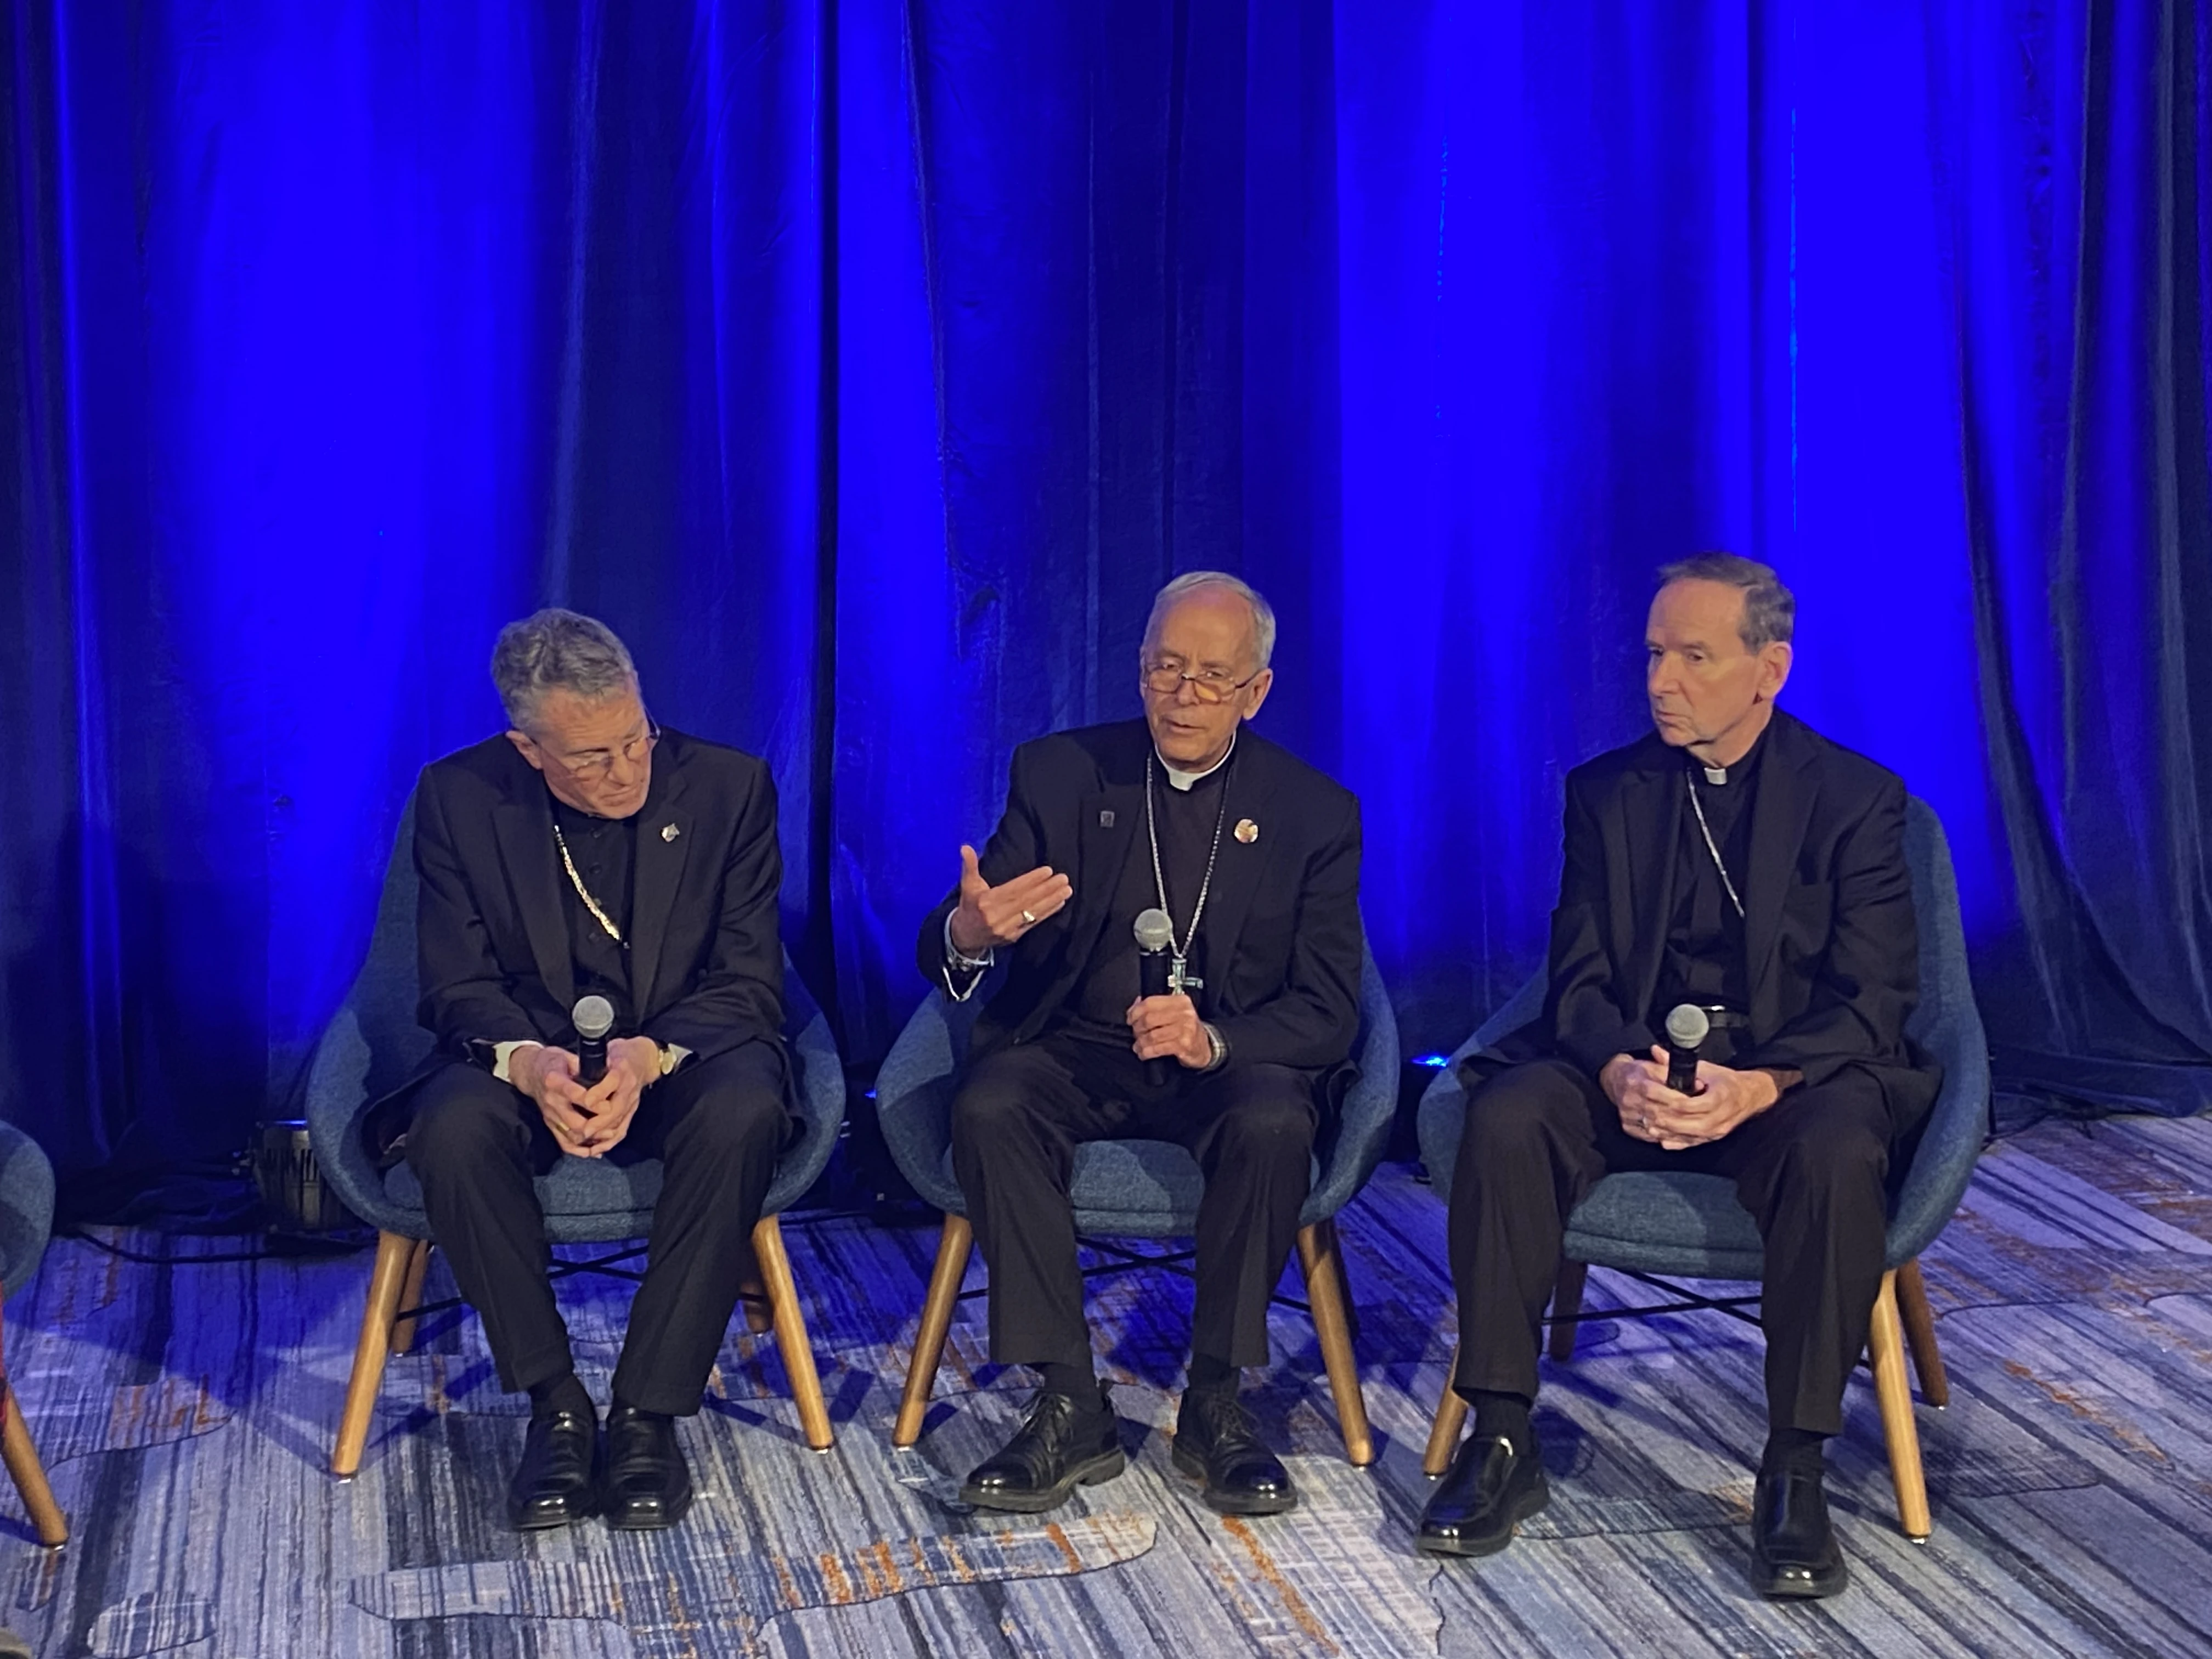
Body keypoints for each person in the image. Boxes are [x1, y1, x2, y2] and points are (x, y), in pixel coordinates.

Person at [1418, 555, 1940, 1598]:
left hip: (1786, 1088)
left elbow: (1875, 1001)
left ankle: (1794, 1467)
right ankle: (1504, 1436)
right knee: (1512, 1113)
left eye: (1693, 656)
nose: (1661, 679)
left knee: (1840, 1149)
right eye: (1655, 652)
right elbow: (1576, 981)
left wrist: (1764, 1085)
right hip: (1639, 1072)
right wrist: (1615, 1069)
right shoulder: (1607, 794)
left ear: (1769, 669)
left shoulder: (1856, 801)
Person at [921, 572, 1363, 1517]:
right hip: (1078, 1046)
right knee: (990, 1103)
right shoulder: (1062, 774)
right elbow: (964, 921)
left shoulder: (1312, 813)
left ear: (1257, 691)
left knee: (1277, 1122)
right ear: (1138, 672)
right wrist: (970, 936)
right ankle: (1069, 1400)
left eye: (1211, 677)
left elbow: (1330, 1010)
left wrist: (1214, 1041)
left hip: (1225, 1062)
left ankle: (1215, 1397)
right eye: (1166, 669)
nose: (1184, 696)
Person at [374, 609, 789, 1532]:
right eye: (592, 759)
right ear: (528, 749)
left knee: (746, 1110)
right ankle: (554, 1404)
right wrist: (528, 1068)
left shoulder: (730, 788)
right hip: (528, 1054)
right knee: (451, 1128)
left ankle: (649, 1410)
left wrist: (648, 1055)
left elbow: (750, 981)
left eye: (635, 740)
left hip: (680, 1053)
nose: (627, 771)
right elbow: (454, 985)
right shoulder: (459, 797)